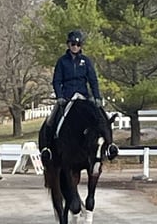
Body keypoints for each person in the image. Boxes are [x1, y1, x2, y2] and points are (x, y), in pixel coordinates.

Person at [41, 30, 117, 160]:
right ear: (68, 44)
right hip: (67, 97)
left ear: (81, 45)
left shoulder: (86, 61)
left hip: (83, 95)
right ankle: (47, 148)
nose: (75, 46)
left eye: (78, 44)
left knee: (103, 117)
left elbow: (93, 80)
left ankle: (110, 146)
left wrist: (97, 97)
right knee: (51, 119)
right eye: (73, 44)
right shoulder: (62, 61)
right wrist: (59, 96)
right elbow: (57, 80)